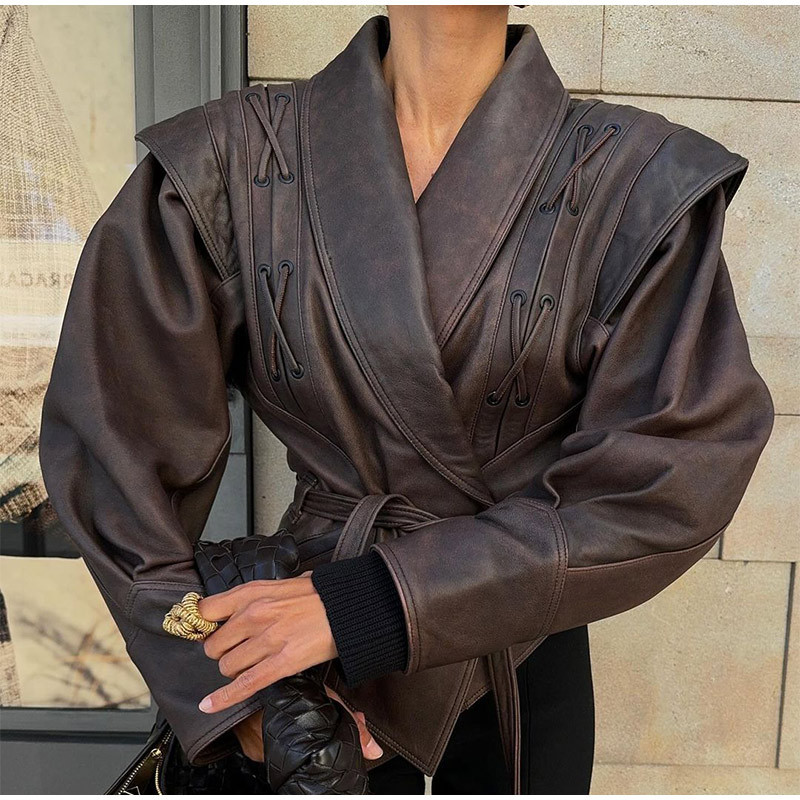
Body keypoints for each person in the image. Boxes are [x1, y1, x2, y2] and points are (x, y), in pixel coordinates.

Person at [39, 6, 775, 795]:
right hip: (306, 691)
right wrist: (230, 691)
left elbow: (671, 478)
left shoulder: (640, 181)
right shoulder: (229, 159)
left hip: (521, 659)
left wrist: (378, 603)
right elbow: (113, 452)